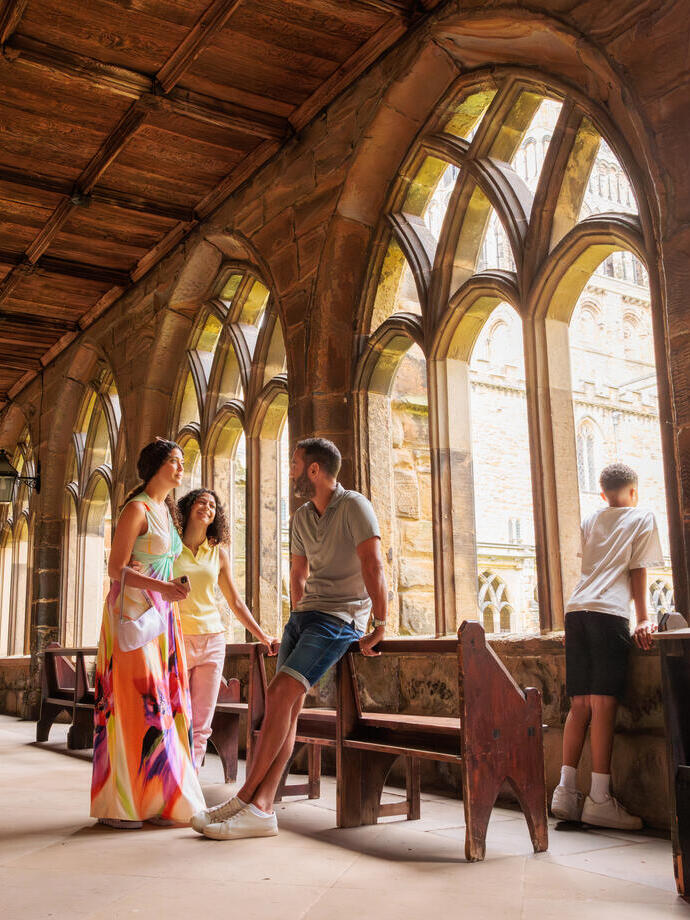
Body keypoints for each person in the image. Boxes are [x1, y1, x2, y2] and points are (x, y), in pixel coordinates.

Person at [191, 437, 388, 840]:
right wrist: (297, 614)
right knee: (289, 709)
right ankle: (262, 810)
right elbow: (298, 574)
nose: (291, 469)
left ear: (314, 470)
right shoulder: (301, 516)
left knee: (280, 695)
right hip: (303, 619)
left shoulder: (354, 506)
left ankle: (244, 799)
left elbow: (374, 564)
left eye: (296, 463)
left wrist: (381, 622)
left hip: (338, 619)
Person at [91, 439, 205, 829]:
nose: (181, 468)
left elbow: (157, 566)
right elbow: (115, 568)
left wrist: (174, 587)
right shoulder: (136, 509)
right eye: (175, 461)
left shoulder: (165, 511)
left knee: (164, 705)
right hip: (132, 618)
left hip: (160, 618)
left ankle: (158, 799)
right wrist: (164, 589)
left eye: (183, 461)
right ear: (156, 465)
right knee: (136, 703)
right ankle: (123, 803)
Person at [551, 462, 664, 830]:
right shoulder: (642, 516)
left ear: (602, 493)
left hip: (576, 611)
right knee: (603, 704)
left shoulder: (591, 520)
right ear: (634, 491)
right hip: (609, 613)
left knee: (579, 704)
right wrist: (644, 617)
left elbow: (590, 570)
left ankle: (566, 793)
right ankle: (600, 798)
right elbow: (637, 569)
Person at [173, 488, 279, 771]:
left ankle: (190, 788)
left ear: (215, 516)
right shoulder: (170, 547)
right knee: (174, 717)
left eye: (212, 505)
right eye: (200, 502)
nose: (206, 507)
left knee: (201, 722)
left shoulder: (218, 554)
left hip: (212, 640)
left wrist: (263, 636)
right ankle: (170, 783)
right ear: (188, 507)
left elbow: (234, 601)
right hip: (177, 638)